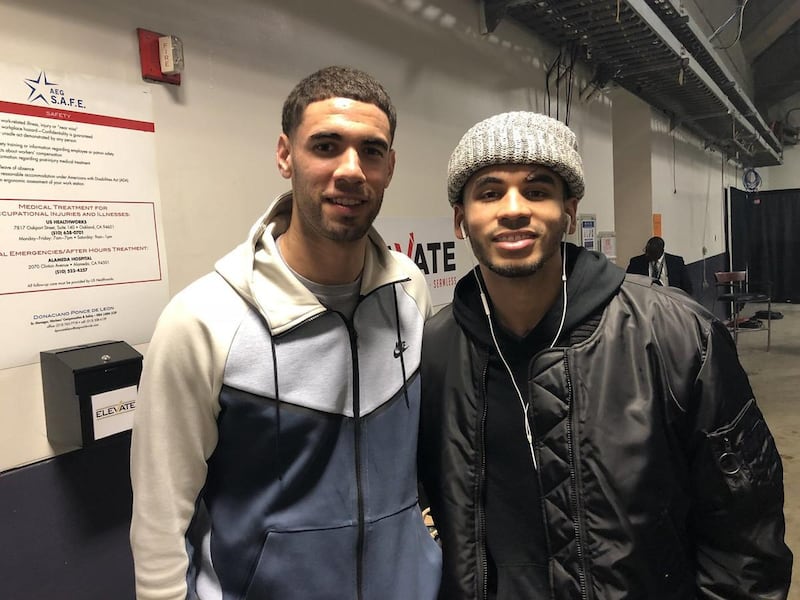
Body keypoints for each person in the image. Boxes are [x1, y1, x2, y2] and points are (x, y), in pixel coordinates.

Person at [418, 111, 791, 599]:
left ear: (570, 209)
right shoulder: (433, 350)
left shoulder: (676, 334)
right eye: (488, 192)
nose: (513, 208)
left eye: (537, 190)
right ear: (460, 218)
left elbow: (746, 534)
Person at [130, 66, 441, 600]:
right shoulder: (203, 320)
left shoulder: (409, 290)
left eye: (371, 151)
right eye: (326, 145)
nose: (350, 170)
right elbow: (160, 526)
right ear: (285, 155)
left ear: (389, 168)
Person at [626, 235, 693, 294]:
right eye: (646, 251)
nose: (647, 255)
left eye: (651, 253)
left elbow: (687, 288)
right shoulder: (636, 262)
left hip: (669, 301)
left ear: (661, 251)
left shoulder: (676, 262)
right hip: (646, 301)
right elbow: (628, 284)